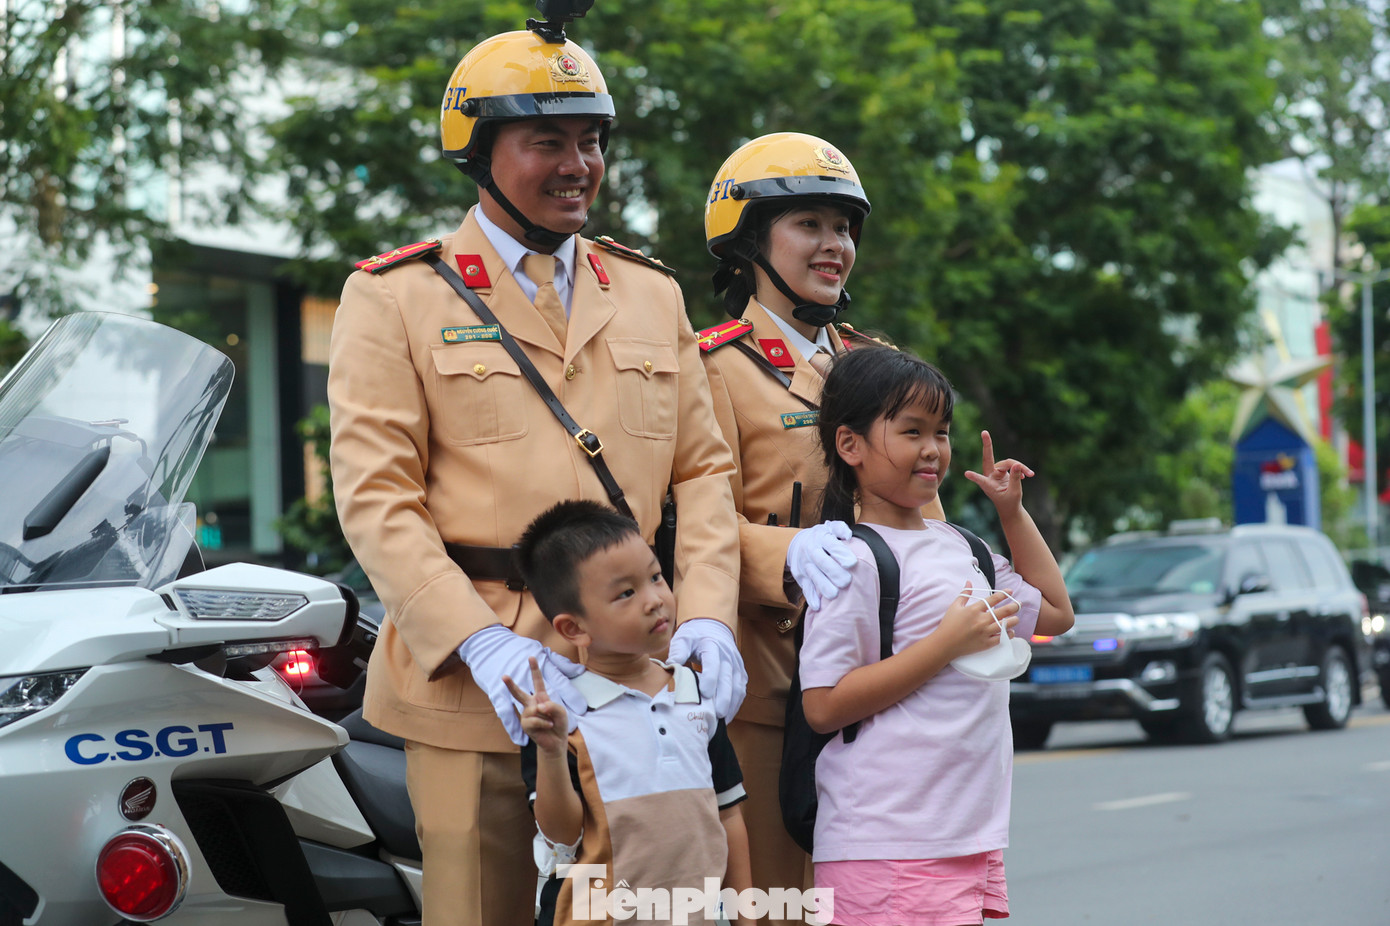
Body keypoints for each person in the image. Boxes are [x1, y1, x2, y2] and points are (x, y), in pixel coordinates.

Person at [326, 16, 745, 926]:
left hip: (638, 676)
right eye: (546, 140)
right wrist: (481, 641)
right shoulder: (396, 295)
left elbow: (705, 472)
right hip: (478, 686)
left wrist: (709, 614)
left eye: (591, 141)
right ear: (479, 155)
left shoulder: (648, 290)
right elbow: (375, 496)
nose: (578, 164)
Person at [696, 132, 948, 915]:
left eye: (843, 227)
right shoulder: (708, 368)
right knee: (778, 903)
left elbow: (924, 514)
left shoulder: (876, 365)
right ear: (747, 243)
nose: (834, 245)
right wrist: (791, 552)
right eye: (808, 223)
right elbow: (684, 525)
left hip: (886, 693)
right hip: (767, 691)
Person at [798, 346, 1075, 926]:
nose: (933, 449)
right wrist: (944, 646)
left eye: (942, 432)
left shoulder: (961, 547)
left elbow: (1054, 612)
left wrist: (1010, 512)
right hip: (888, 843)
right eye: (912, 431)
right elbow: (822, 705)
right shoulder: (852, 559)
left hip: (965, 835)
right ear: (850, 445)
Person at [505, 500, 753, 926]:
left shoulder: (696, 692)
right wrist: (549, 751)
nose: (655, 600)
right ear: (574, 628)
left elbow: (728, 813)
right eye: (626, 593)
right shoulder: (561, 716)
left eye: (656, 577)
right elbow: (562, 836)